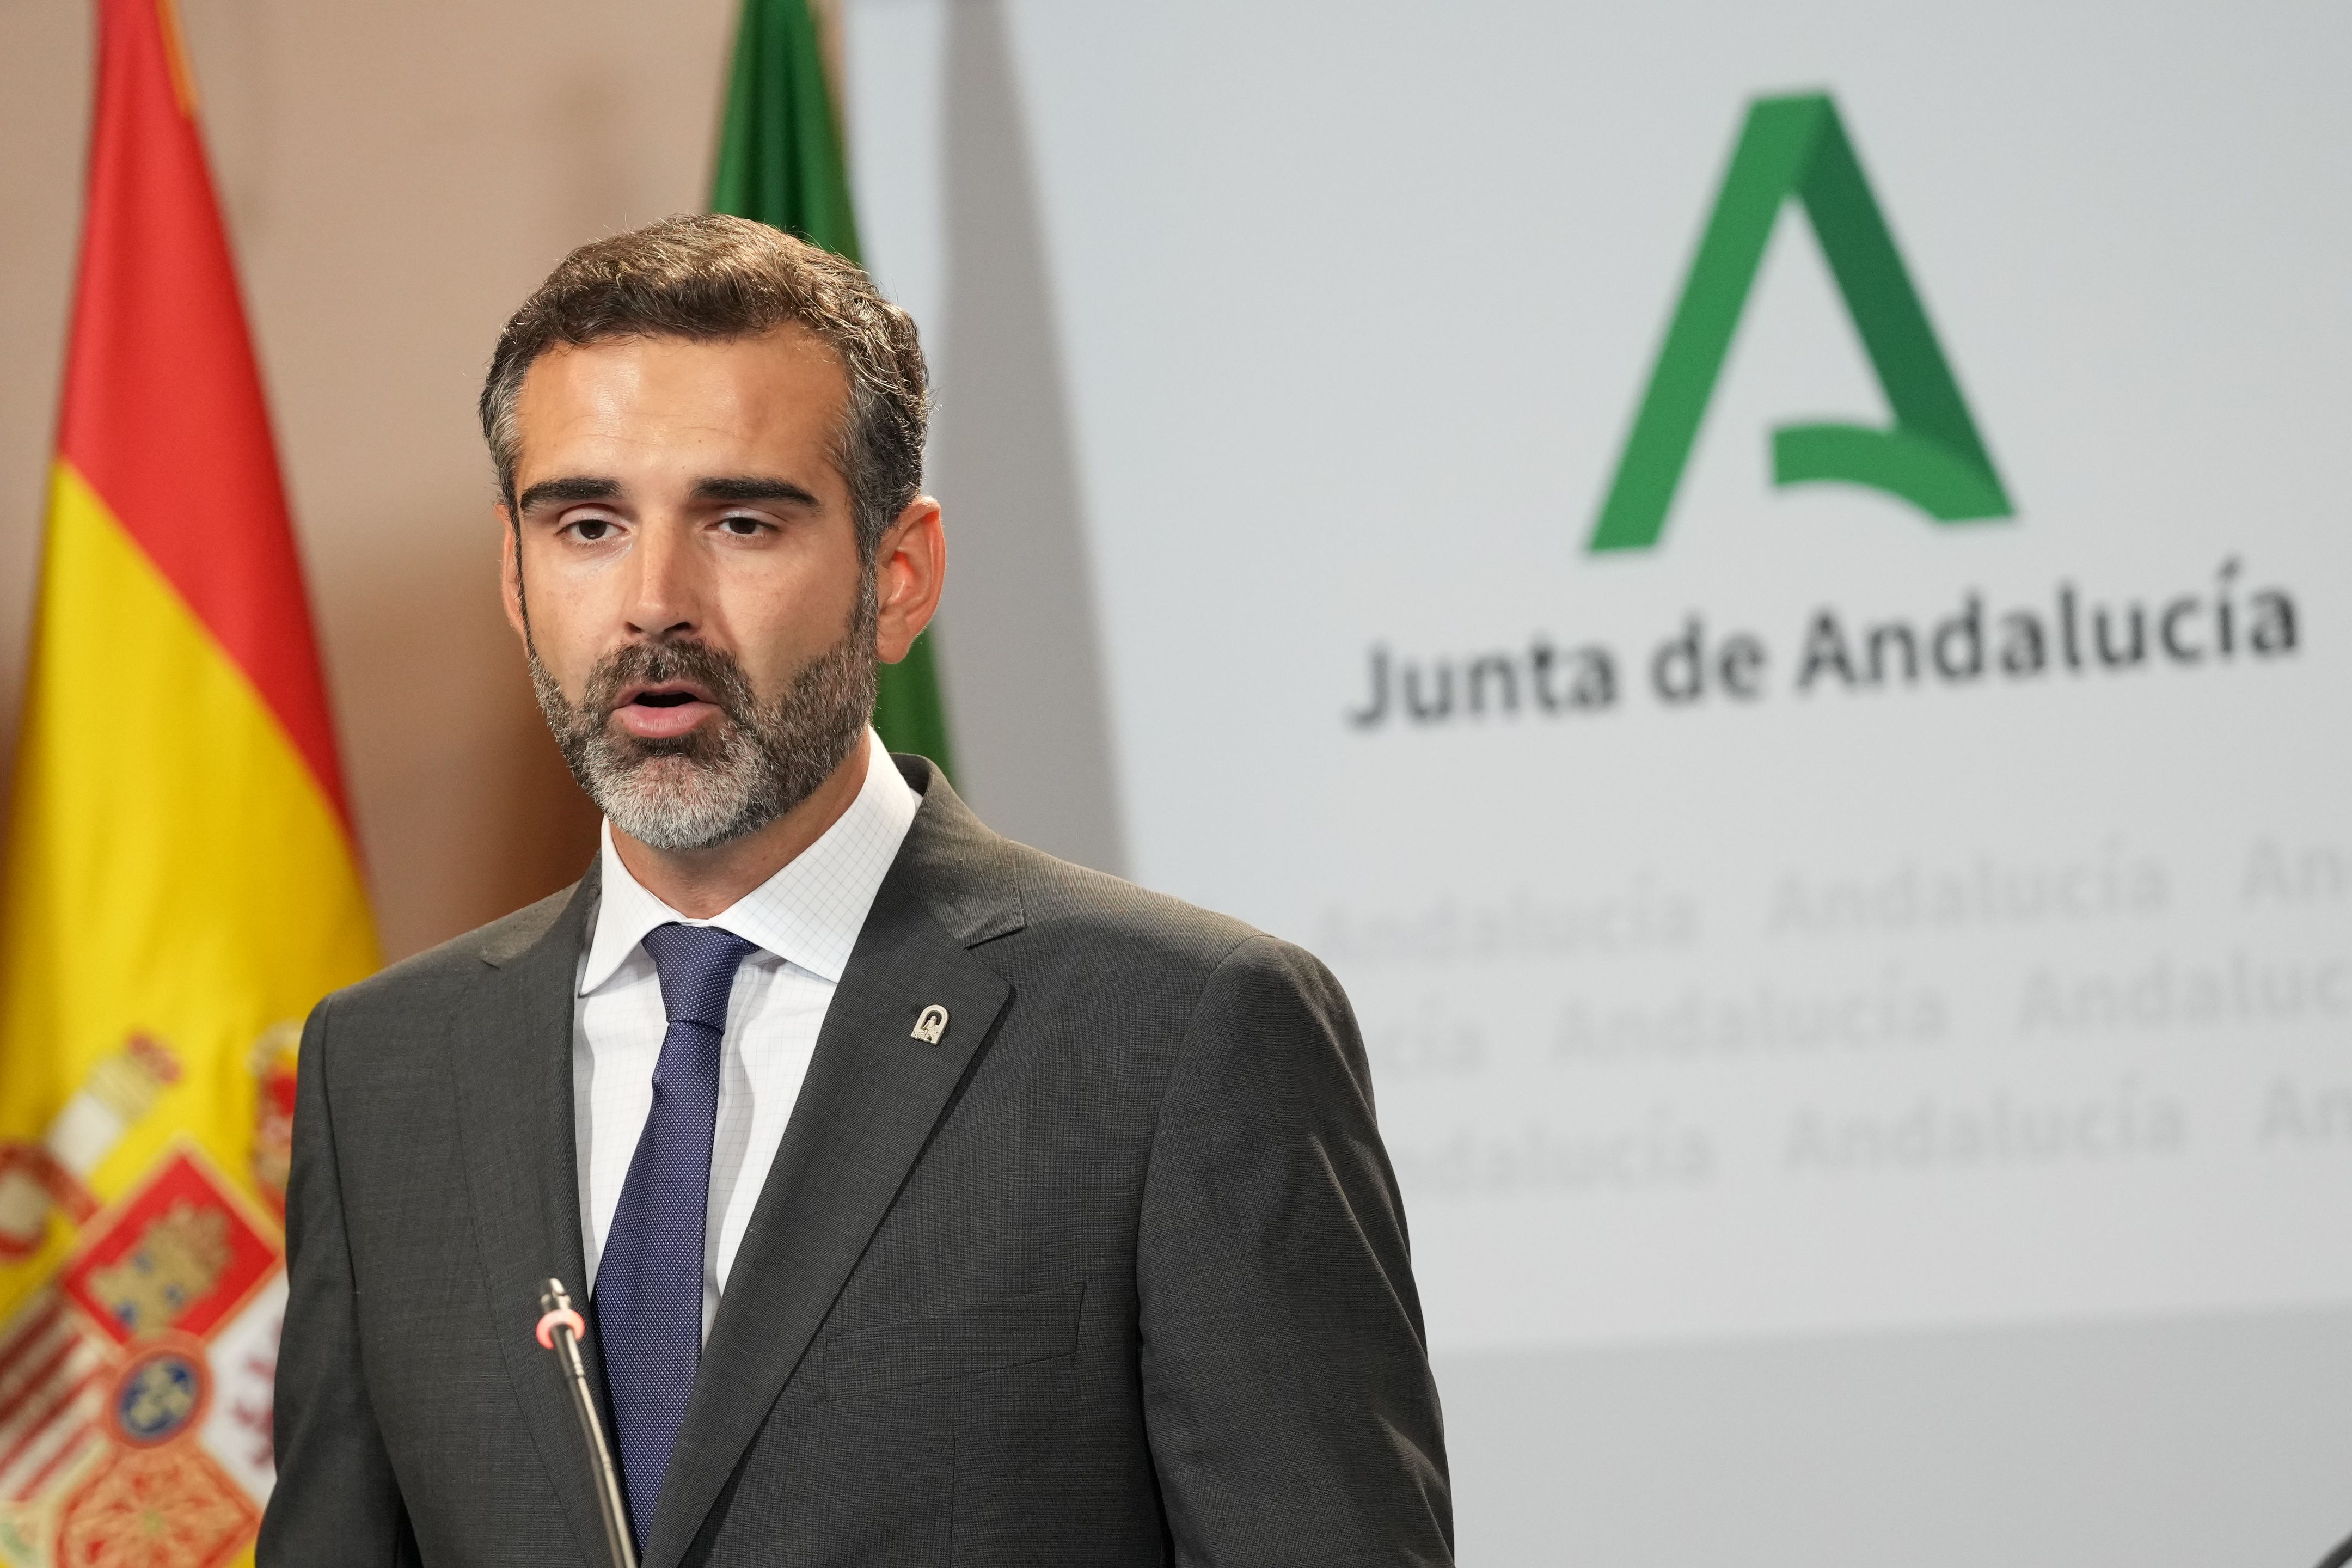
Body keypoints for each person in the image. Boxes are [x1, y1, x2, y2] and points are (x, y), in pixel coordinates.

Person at [259, 214, 1451, 1568]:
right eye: (588, 526)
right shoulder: (387, 1072)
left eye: (741, 521)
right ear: (517, 578)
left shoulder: (1180, 1034)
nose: (654, 603)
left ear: (899, 576)